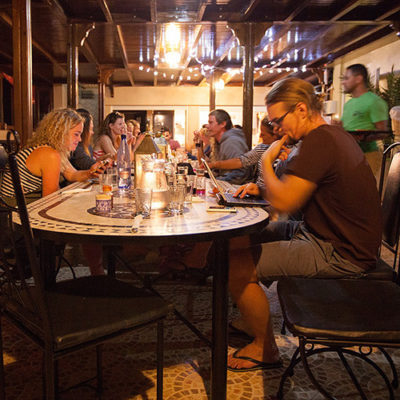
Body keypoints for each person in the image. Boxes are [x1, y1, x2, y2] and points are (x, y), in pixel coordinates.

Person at [227, 78, 382, 372]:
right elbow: (296, 193)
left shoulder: (320, 141)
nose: (276, 129)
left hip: (340, 252)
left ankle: (265, 348)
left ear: (301, 109)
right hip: (320, 234)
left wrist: (266, 162)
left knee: (236, 267)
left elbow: (284, 203)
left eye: (278, 121)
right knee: (238, 240)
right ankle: (252, 318)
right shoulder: (329, 136)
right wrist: (262, 188)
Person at [0, 108, 106, 275]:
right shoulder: (49, 154)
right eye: (76, 134)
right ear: (61, 132)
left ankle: (96, 270)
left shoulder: (51, 149)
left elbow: (71, 174)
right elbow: (50, 200)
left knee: (87, 211)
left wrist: (90, 172)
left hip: (15, 212)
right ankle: (97, 271)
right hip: (16, 221)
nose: (80, 139)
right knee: (89, 218)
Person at [340, 63, 389, 182]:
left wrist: (363, 136)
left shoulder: (374, 101)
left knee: (361, 189)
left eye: (347, 78)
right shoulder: (348, 104)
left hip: (367, 156)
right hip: (348, 156)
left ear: (358, 79)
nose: (343, 82)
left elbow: (383, 131)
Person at [208, 116, 278, 185]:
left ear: (275, 135)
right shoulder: (262, 148)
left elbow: (240, 168)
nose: (260, 136)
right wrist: (213, 165)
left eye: (263, 134)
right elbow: (241, 161)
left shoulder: (282, 155)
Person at [199, 109, 251, 184]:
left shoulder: (232, 141)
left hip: (234, 188)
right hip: (225, 185)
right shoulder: (219, 142)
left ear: (223, 124)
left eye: (211, 123)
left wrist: (214, 182)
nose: (207, 126)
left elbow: (240, 174)